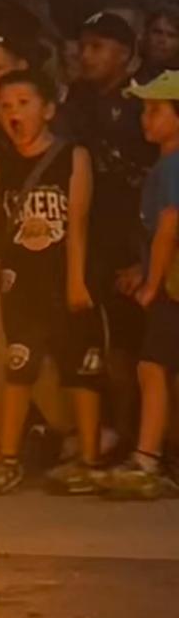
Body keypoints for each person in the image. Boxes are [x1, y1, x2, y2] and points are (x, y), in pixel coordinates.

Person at [0, 71, 105, 495]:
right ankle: (8, 458)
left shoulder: (73, 156)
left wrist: (77, 280)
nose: (14, 113)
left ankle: (89, 459)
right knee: (18, 367)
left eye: (24, 103)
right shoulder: (2, 161)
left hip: (64, 279)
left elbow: (79, 222)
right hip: (21, 283)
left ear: (48, 109)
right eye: (5, 106)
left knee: (79, 371)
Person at [61, 11, 155, 448]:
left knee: (128, 348)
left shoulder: (144, 103)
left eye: (97, 47)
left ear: (125, 53)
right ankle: (93, 434)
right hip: (86, 237)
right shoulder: (76, 99)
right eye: (83, 46)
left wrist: (145, 258)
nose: (86, 55)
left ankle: (135, 439)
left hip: (132, 241)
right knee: (85, 341)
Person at [102, 70, 179, 497]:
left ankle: (147, 458)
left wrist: (152, 283)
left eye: (155, 110)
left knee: (151, 367)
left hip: (173, 287)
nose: (145, 119)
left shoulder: (174, 164)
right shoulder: (165, 164)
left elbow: (169, 224)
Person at [139, 3, 179, 79]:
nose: (162, 40)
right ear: (145, 34)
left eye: (171, 35)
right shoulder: (126, 74)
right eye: (157, 32)